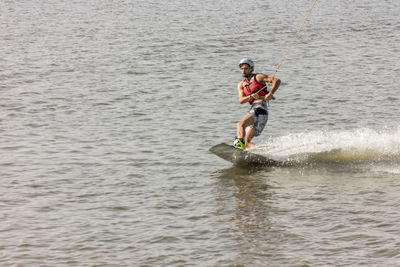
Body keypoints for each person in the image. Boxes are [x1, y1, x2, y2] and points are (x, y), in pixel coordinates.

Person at [233, 58, 281, 149]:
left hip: (260, 108)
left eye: (246, 68)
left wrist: (271, 94)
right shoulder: (241, 85)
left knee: (240, 124)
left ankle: (238, 146)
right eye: (242, 68)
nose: (243, 70)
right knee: (247, 143)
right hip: (259, 113)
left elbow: (277, 80)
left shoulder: (258, 77)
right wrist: (251, 96)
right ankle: (267, 152)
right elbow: (241, 100)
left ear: (252, 69)